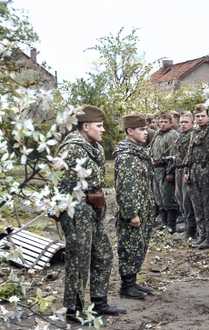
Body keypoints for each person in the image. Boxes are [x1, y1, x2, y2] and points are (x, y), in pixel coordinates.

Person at [57, 105, 126, 322]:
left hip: (93, 210)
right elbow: (62, 184)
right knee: (79, 260)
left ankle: (99, 302)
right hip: (77, 211)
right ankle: (73, 309)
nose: (103, 129)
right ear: (85, 126)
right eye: (99, 125)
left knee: (103, 254)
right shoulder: (73, 148)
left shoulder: (93, 146)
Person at [114, 113, 157, 300]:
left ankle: (132, 282)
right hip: (133, 210)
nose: (145, 132)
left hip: (144, 206)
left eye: (146, 128)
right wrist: (131, 213)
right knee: (130, 246)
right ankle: (127, 286)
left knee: (139, 246)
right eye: (141, 129)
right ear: (130, 131)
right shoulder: (127, 156)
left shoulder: (138, 152)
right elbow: (125, 188)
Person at [184, 104, 209, 249]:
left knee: (207, 206)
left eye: (202, 116)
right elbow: (189, 152)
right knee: (197, 206)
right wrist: (187, 170)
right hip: (194, 170)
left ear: (208, 116)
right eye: (197, 116)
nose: (199, 119)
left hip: (207, 171)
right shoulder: (195, 132)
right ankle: (201, 234)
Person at [150, 112, 179, 233]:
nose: (162, 124)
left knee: (168, 197)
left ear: (170, 122)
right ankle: (163, 222)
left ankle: (171, 224)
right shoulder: (157, 134)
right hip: (156, 169)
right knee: (159, 197)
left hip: (166, 168)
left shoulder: (173, 135)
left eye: (165, 122)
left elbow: (173, 155)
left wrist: (170, 172)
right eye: (160, 122)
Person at [174, 112, 196, 239]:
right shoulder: (180, 135)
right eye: (181, 122)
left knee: (188, 201)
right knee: (180, 198)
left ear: (192, 123)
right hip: (178, 169)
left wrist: (188, 172)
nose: (183, 124)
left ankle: (191, 229)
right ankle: (187, 226)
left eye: (186, 122)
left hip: (187, 170)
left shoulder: (193, 135)